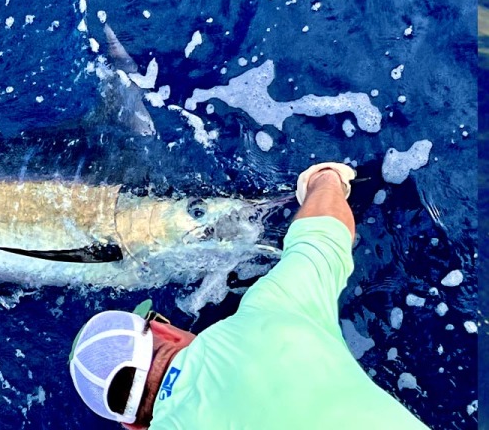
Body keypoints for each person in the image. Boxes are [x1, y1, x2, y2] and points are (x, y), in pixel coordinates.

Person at [68, 162, 429, 429]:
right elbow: (324, 236)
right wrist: (325, 180)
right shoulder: (270, 314)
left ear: (132, 426)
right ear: (163, 330)